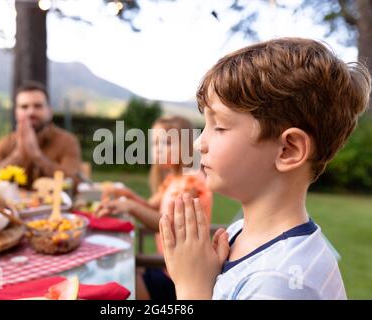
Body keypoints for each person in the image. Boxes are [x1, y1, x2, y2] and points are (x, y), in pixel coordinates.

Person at [159, 37, 371, 300]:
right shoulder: (239, 233)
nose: (199, 142)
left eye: (220, 127)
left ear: (288, 150)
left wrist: (192, 288)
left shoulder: (281, 282)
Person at [95, 116, 212, 300]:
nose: (157, 149)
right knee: (124, 271)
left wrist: (130, 205)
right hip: (168, 266)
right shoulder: (173, 179)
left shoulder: (191, 183)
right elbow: (151, 206)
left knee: (122, 279)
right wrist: (127, 194)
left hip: (182, 278)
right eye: (154, 143)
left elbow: (168, 224)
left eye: (166, 142)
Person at [0, 81, 82, 187]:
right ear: (16, 112)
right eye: (24, 107)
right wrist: (17, 155)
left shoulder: (67, 142)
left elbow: (74, 180)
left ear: (49, 111)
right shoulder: (5, 142)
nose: (31, 112)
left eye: (38, 106)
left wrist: (37, 156)